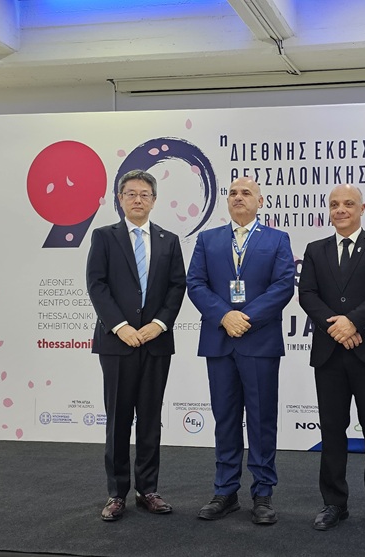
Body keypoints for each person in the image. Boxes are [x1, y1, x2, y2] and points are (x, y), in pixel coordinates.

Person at [186, 176, 295, 525]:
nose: (238, 197)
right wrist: (224, 316)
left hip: (259, 341)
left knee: (262, 420)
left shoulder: (277, 239)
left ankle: (262, 493)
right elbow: (195, 283)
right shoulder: (208, 239)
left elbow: (283, 286)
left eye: (246, 192)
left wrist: (244, 318)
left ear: (260, 201)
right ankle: (225, 491)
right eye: (232, 193)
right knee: (226, 419)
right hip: (220, 341)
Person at [298, 185, 365, 532]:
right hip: (329, 356)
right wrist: (337, 328)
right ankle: (334, 503)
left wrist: (352, 322)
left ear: (362, 208)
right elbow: (307, 294)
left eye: (348, 204)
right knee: (332, 431)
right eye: (334, 204)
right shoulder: (315, 250)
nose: (340, 209)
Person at [86, 169, 186, 521]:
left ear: (154, 200)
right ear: (120, 198)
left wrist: (158, 325)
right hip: (118, 343)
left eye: (145, 194)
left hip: (156, 343)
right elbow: (97, 285)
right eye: (131, 193)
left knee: (150, 419)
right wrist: (121, 326)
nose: (138, 199)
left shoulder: (169, 240)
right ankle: (116, 494)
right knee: (118, 420)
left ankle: (148, 490)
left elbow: (177, 286)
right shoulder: (104, 236)